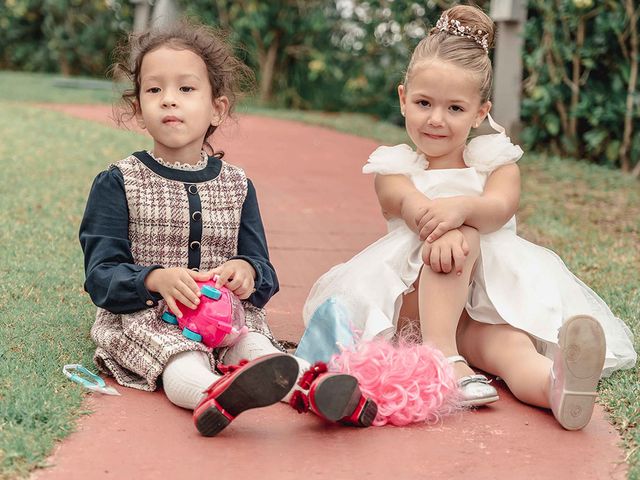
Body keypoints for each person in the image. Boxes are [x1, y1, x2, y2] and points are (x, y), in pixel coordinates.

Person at [302, 5, 636, 430]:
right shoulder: (395, 169)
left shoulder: (498, 164)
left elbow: (498, 209)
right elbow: (409, 206)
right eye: (424, 103)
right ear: (403, 98)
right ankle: (440, 352)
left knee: (512, 349)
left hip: (484, 309)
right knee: (455, 238)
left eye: (455, 109)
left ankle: (558, 386)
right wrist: (452, 221)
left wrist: (464, 206)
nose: (436, 119)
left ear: (480, 112)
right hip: (417, 304)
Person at [79, 20, 375, 437]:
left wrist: (248, 272)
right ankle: (214, 395)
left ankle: (314, 389)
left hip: (227, 316)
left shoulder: (237, 185)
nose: (168, 100)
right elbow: (100, 274)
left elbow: (262, 268)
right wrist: (154, 279)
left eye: (185, 89)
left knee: (259, 350)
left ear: (217, 108)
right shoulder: (118, 182)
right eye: (154, 89)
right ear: (137, 107)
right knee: (180, 358)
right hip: (149, 318)